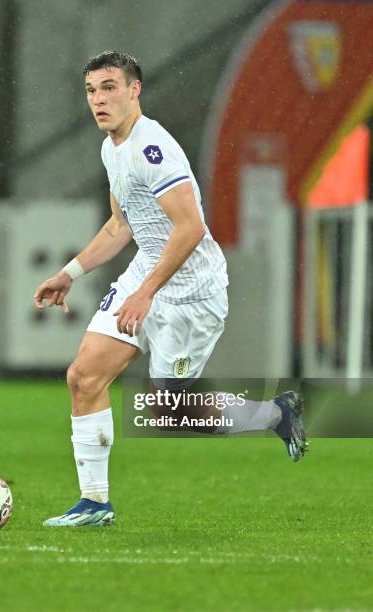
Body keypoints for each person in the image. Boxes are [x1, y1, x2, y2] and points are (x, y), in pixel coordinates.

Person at [33, 51, 307, 527]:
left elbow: (191, 229)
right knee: (84, 377)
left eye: (110, 88)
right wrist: (69, 273)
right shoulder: (111, 148)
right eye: (92, 91)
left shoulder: (152, 148)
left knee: (171, 409)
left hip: (190, 293)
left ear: (134, 90)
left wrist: (147, 294)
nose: (99, 100)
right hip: (148, 273)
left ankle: (274, 415)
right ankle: (94, 503)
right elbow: (121, 226)